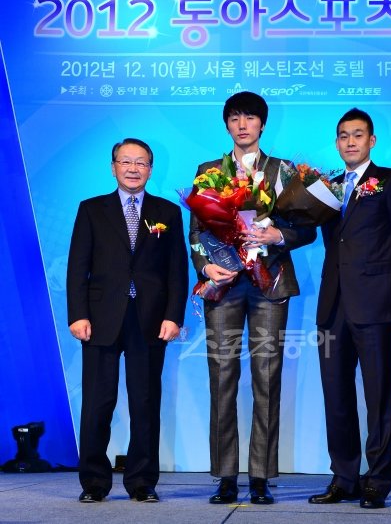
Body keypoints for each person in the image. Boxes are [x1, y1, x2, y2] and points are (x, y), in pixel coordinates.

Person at [189, 91, 316, 505]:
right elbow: (196, 232)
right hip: (225, 283)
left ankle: (260, 476)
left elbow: (307, 228)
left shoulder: (284, 170)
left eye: (250, 118)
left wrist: (277, 234)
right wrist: (206, 267)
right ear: (227, 124)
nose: (242, 125)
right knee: (221, 375)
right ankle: (226, 476)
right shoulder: (209, 171)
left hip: (270, 281)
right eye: (235, 118)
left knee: (267, 375)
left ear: (262, 123)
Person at [309, 108, 391, 509]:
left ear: (371, 140)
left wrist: (386, 286)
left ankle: (378, 478)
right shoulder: (328, 186)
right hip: (332, 304)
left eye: (357, 135)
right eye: (343, 135)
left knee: (378, 394)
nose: (350, 142)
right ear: (336, 142)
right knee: (335, 394)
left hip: (375, 303)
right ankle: (344, 477)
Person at [67, 138, 188, 503]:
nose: (133, 168)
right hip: (100, 319)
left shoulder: (168, 212)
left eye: (141, 162)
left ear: (150, 169)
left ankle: (142, 482)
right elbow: (77, 267)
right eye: (126, 161)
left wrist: (173, 316)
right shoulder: (91, 209)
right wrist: (78, 314)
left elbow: (177, 271)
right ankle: (94, 483)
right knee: (97, 403)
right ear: (113, 167)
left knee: (145, 403)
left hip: (149, 320)